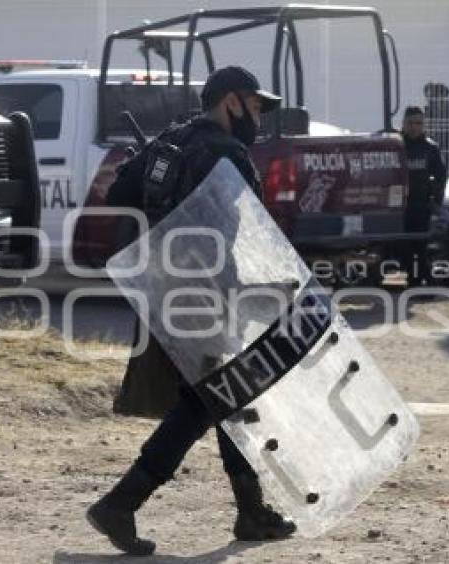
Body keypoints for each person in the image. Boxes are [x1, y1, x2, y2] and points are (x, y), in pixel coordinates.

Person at [91, 66, 295, 556]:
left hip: (165, 287)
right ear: (230, 101)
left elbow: (116, 195)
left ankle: (250, 510)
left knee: (221, 394)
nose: (258, 118)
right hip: (208, 288)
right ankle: (122, 502)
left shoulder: (170, 143)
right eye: (254, 105)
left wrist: (146, 164)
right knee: (211, 398)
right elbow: (254, 228)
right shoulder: (228, 153)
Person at [401, 106, 448, 283]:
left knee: (420, 246)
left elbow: (441, 176)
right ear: (403, 124)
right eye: (410, 123)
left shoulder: (430, 148)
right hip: (399, 207)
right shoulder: (397, 145)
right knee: (403, 245)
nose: (414, 127)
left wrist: (436, 200)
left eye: (418, 123)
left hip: (421, 205)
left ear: (424, 125)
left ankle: (421, 279)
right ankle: (415, 277)